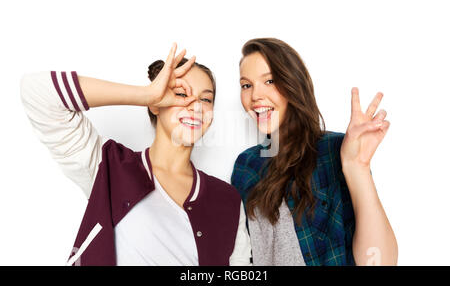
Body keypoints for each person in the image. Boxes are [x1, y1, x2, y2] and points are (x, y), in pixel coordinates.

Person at [20, 43, 252, 266]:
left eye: (206, 99)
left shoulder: (228, 199)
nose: (196, 106)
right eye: (181, 94)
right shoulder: (109, 166)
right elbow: (36, 92)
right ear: (155, 104)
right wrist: (145, 94)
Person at [231, 38, 398, 266]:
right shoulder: (246, 165)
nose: (255, 95)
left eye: (269, 81)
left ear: (293, 83)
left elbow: (380, 263)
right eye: (246, 85)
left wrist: (357, 167)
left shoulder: (336, 150)